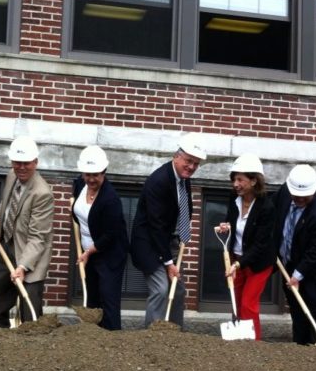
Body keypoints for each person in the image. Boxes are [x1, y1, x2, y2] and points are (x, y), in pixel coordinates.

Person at [130, 133, 207, 327]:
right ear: (176, 156)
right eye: (188, 161)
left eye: (196, 164)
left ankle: (173, 333)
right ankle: (153, 335)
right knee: (161, 289)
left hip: (166, 241)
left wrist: (184, 229)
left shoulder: (182, 177)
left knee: (178, 290)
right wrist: (168, 262)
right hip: (148, 245)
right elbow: (156, 226)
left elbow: (186, 205)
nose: (191, 167)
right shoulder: (159, 181)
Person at [0, 136, 54, 327]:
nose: (21, 167)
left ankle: (31, 348)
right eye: (17, 162)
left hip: (29, 253)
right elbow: (6, 202)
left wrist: (22, 267)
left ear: (35, 162)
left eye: (26, 163)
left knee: (28, 305)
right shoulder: (11, 175)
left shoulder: (42, 193)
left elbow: (38, 237)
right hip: (6, 245)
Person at [274, 164, 316, 345]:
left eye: (305, 197)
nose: (300, 199)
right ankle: (301, 352)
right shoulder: (283, 193)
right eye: (296, 196)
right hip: (291, 264)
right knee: (298, 314)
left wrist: (297, 275)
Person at [217, 153, 275, 340]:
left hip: (258, 263)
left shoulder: (267, 207)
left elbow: (260, 245)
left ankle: (253, 345)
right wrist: (226, 226)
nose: (235, 184)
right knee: (237, 302)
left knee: (248, 304)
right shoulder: (234, 198)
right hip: (237, 258)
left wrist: (239, 264)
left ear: (253, 181)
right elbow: (232, 220)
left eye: (240, 179)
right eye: (234, 179)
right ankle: (238, 341)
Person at [71, 145, 129, 330]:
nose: (91, 179)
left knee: (108, 298)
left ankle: (112, 338)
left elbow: (110, 235)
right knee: (93, 296)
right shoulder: (80, 185)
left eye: (95, 174)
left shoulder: (110, 200)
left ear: (104, 172)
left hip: (109, 253)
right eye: (87, 174)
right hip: (89, 249)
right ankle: (93, 337)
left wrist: (89, 252)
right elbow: (79, 214)